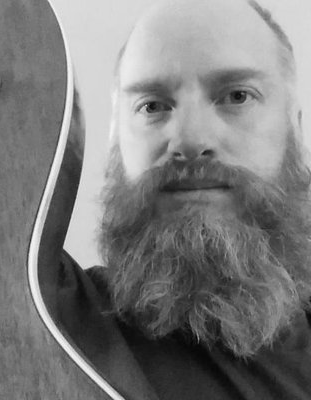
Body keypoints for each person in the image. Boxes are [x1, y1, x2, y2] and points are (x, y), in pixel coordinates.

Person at [53, 0, 311, 398]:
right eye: (152, 106)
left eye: (237, 96)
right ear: (115, 141)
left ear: (295, 130)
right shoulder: (48, 316)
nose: (190, 139)